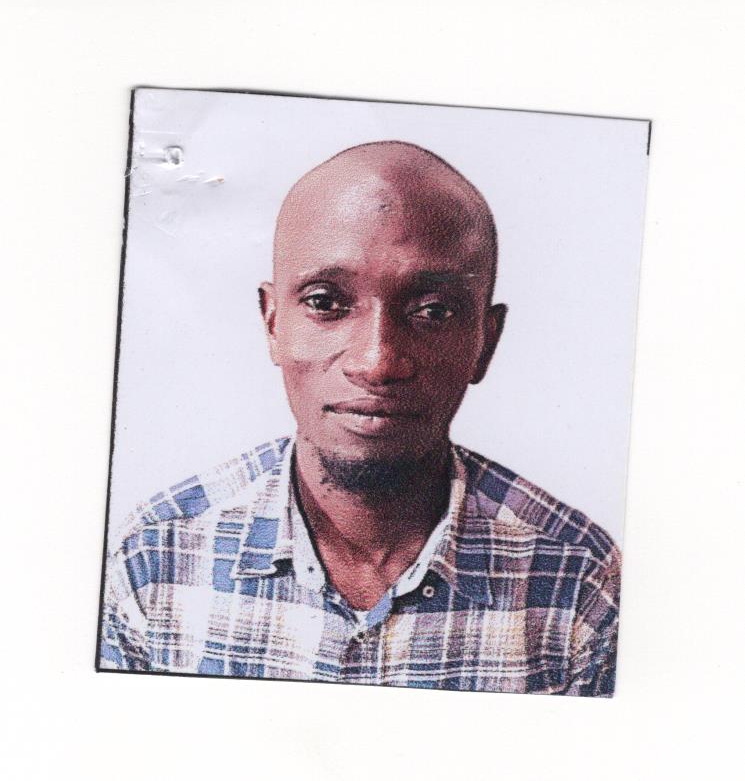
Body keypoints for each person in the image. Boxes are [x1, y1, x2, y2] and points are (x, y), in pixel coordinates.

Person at [98, 141, 621, 696]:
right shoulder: (154, 559)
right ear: (273, 324)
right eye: (326, 303)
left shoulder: (579, 581)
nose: (377, 362)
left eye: (433, 311)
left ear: (485, 343)